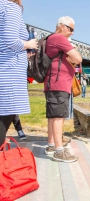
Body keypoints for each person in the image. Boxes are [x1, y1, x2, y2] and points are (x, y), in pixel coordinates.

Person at [43, 16, 82, 162]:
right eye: (70, 29)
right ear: (61, 26)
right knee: (58, 117)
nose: (72, 32)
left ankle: (51, 145)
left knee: (53, 116)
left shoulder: (52, 39)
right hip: (58, 84)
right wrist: (72, 56)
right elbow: (78, 59)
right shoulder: (59, 38)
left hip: (54, 83)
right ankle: (59, 151)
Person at [0, 0, 38, 146]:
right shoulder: (11, 7)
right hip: (8, 73)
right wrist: (29, 44)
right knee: (4, 118)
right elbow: (10, 40)